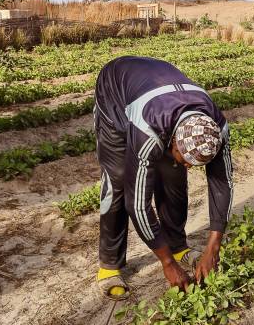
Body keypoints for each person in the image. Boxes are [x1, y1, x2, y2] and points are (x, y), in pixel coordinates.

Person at [93, 56, 233, 300]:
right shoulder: (149, 129)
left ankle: (177, 245)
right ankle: (110, 265)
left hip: (158, 87)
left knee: (174, 174)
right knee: (118, 181)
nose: (190, 167)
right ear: (175, 142)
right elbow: (138, 205)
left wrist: (213, 247)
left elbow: (223, 184)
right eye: (186, 159)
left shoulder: (217, 131)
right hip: (115, 93)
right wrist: (167, 264)